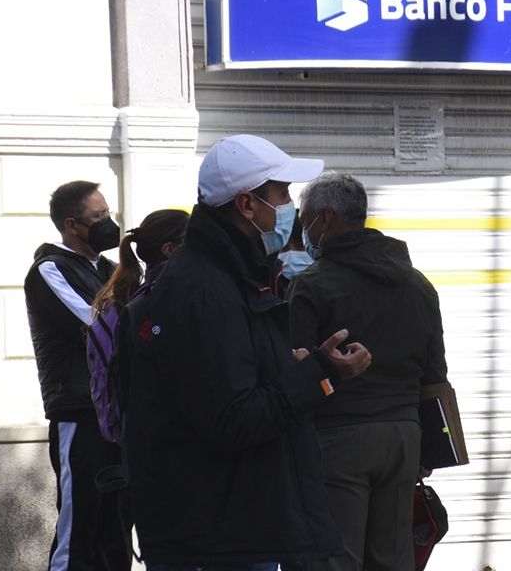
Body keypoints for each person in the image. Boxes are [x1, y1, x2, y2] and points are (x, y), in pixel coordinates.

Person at [124, 134, 372, 570]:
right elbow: (232, 419)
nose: (290, 207)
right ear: (246, 205)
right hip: (212, 534)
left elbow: (228, 385)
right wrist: (317, 372)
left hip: (230, 523)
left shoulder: (229, 274)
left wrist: (291, 370)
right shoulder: (206, 291)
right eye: (281, 193)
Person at [287, 171, 448, 571]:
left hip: (336, 440)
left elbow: (294, 373)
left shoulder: (311, 285)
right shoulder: (418, 285)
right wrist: (427, 447)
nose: (301, 230)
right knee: (393, 559)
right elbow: (435, 373)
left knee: (334, 558)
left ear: (324, 220)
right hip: (403, 438)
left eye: (304, 219)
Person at [23, 180, 129, 571]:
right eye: (99, 217)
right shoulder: (50, 269)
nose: (109, 223)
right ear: (72, 224)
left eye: (108, 213)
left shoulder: (111, 269)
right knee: (79, 525)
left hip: (118, 414)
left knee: (116, 526)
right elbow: (98, 328)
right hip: (80, 412)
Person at [87, 209, 189, 442]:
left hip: (138, 437)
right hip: (163, 441)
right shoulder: (158, 303)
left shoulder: (125, 302)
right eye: (193, 240)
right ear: (170, 250)